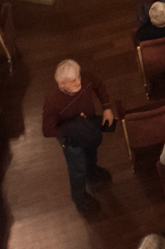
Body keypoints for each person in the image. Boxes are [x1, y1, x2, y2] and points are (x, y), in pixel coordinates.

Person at [41, 59, 116, 214]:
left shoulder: (85, 77)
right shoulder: (53, 101)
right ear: (61, 85)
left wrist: (107, 108)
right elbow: (47, 130)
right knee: (77, 168)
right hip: (70, 138)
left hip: (87, 126)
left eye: (78, 77)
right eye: (73, 81)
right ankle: (79, 198)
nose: (79, 82)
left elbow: (99, 86)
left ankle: (92, 171)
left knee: (92, 150)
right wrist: (71, 131)